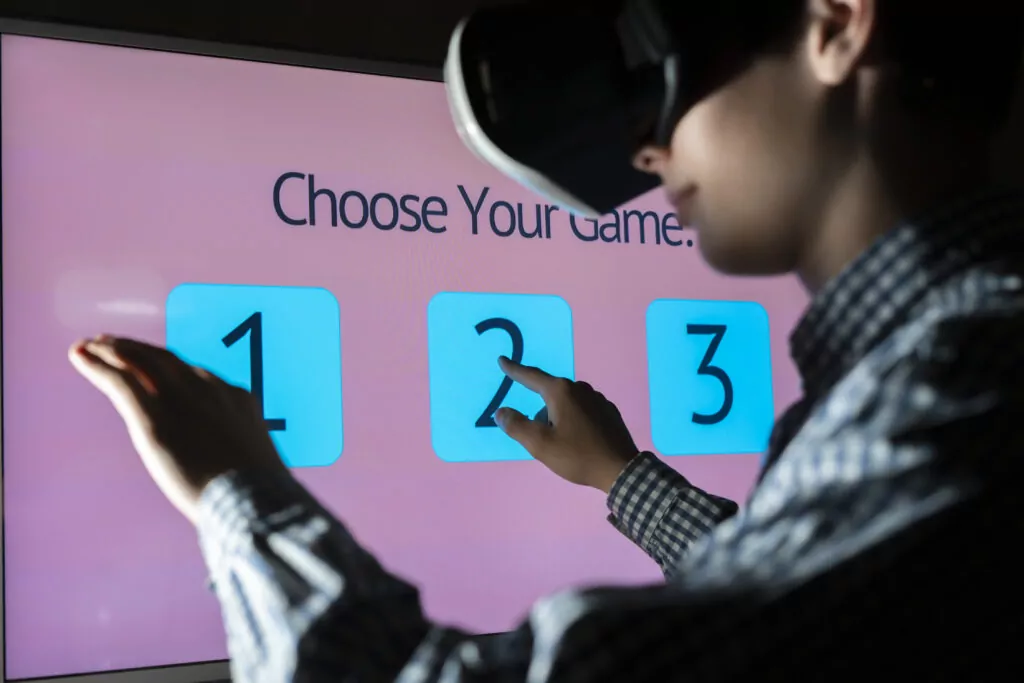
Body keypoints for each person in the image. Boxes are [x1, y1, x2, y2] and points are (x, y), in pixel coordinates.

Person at [70, 0, 1024, 681]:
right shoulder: (950, 371)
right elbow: (813, 614)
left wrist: (240, 491)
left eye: (664, 66)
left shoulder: (968, 378)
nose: (647, 149)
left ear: (837, 24)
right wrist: (621, 476)